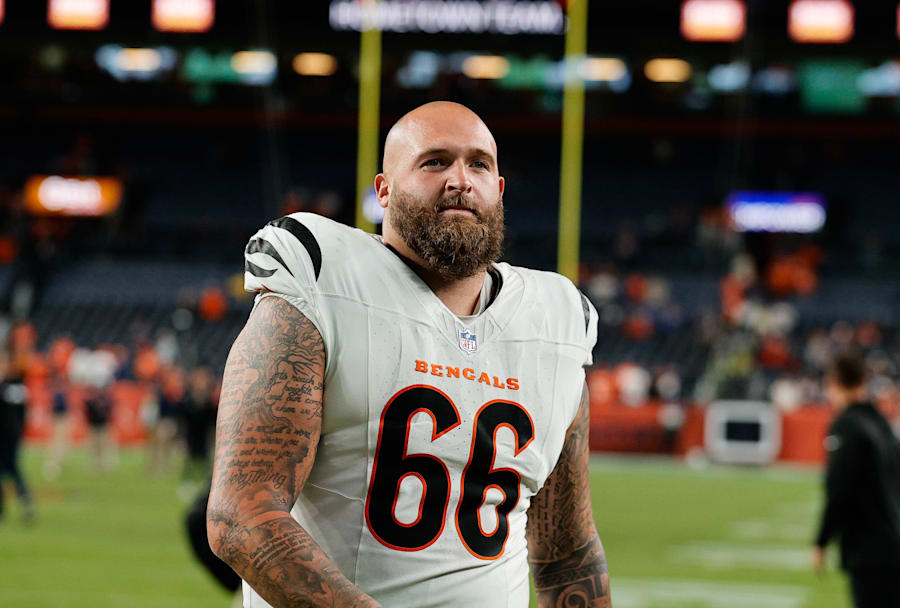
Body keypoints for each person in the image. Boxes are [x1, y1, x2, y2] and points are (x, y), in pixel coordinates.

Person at [207, 101, 610, 608]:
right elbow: (241, 515)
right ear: (383, 192)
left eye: (479, 164)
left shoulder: (555, 321)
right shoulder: (324, 281)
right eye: (434, 161)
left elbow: (566, 556)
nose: (460, 179)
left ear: (500, 190)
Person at [812, 352, 900, 608]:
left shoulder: (847, 425)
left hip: (870, 552)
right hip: (897, 547)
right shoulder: (881, 423)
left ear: (834, 382)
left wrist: (822, 540)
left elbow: (838, 489)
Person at [0, 350, 34, 524]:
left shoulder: (15, 386)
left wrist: (20, 431)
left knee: (13, 470)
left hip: (10, 435)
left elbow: (22, 412)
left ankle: (26, 503)